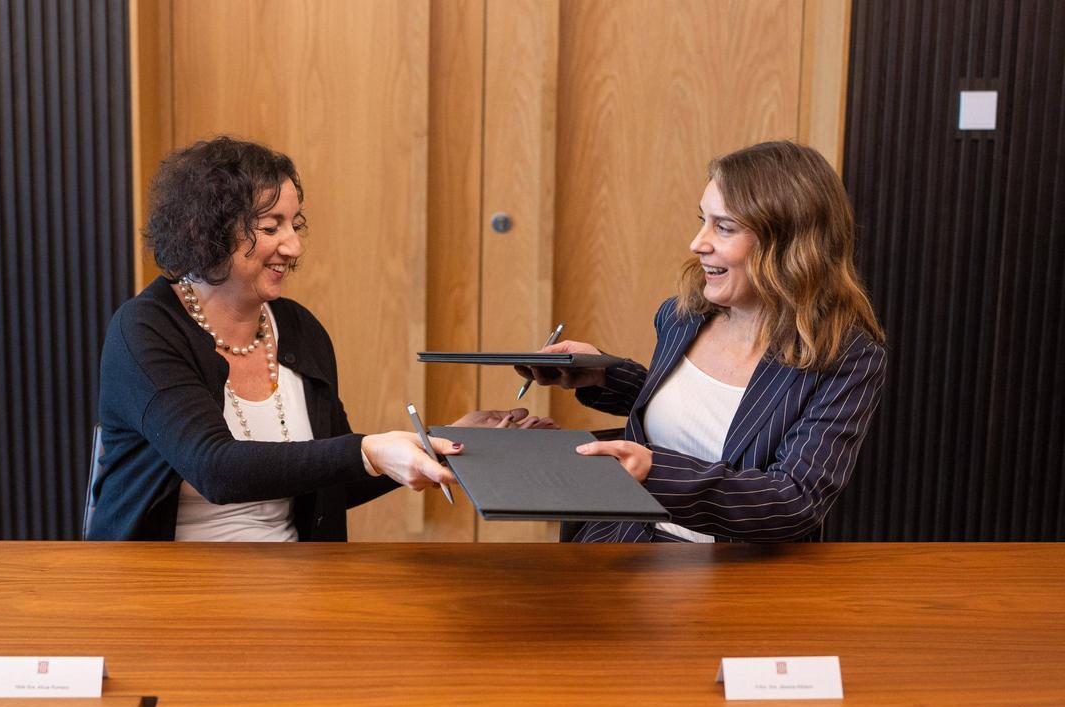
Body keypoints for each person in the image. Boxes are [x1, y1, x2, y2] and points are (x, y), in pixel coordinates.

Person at [89, 137, 549, 541]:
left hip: (293, 584)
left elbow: (335, 478)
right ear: (207, 232)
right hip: (166, 588)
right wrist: (368, 450)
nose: (293, 247)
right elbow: (216, 469)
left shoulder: (298, 328)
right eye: (270, 228)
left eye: (295, 225)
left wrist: (440, 443)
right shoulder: (145, 331)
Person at [518, 140, 886, 542]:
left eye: (723, 227)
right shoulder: (682, 316)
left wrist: (652, 472)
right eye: (703, 220)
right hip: (622, 541)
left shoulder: (847, 357)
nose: (698, 243)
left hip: (735, 575)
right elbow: (690, 410)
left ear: (789, 245)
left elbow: (793, 502)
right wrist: (601, 374)